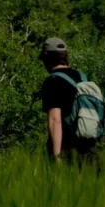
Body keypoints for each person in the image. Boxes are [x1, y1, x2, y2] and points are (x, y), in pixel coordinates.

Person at [39, 38, 99, 166]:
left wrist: (56, 156)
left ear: (47, 57)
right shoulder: (83, 78)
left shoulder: (52, 81)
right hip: (90, 151)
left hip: (67, 151)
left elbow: (55, 119)